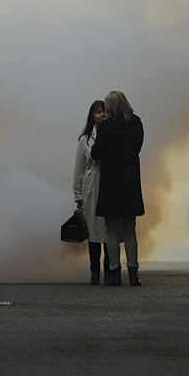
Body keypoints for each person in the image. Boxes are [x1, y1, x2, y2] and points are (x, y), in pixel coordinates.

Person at [91, 91, 144, 287]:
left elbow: (96, 154)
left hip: (110, 183)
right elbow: (137, 148)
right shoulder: (136, 123)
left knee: (112, 229)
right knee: (130, 229)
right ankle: (133, 273)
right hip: (130, 181)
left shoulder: (105, 127)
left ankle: (114, 273)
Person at [73, 100, 111, 284]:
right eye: (98, 112)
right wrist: (77, 195)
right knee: (94, 230)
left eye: (104, 111)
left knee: (109, 228)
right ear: (92, 116)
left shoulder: (112, 135)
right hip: (91, 182)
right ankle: (95, 272)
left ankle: (110, 270)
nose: (102, 114)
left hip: (108, 180)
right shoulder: (84, 139)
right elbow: (78, 169)